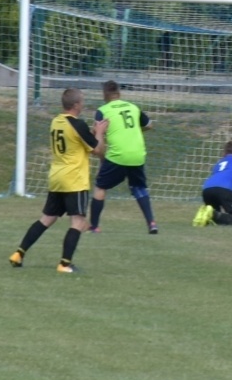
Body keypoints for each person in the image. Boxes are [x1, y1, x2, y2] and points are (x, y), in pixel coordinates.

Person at [8, 88, 107, 274]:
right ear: (76, 105)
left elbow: (77, 143)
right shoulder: (78, 125)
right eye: (82, 101)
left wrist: (91, 134)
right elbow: (98, 150)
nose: (83, 104)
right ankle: (65, 264)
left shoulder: (56, 121)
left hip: (57, 177)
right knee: (78, 222)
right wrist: (99, 132)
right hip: (74, 180)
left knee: (46, 219)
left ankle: (18, 254)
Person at [89, 80, 158, 234]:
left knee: (100, 187)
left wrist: (101, 156)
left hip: (117, 156)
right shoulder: (133, 107)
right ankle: (152, 223)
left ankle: (94, 226)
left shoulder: (103, 110)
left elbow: (97, 134)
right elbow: (149, 125)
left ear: (104, 95)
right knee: (139, 187)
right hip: (138, 154)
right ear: (119, 93)